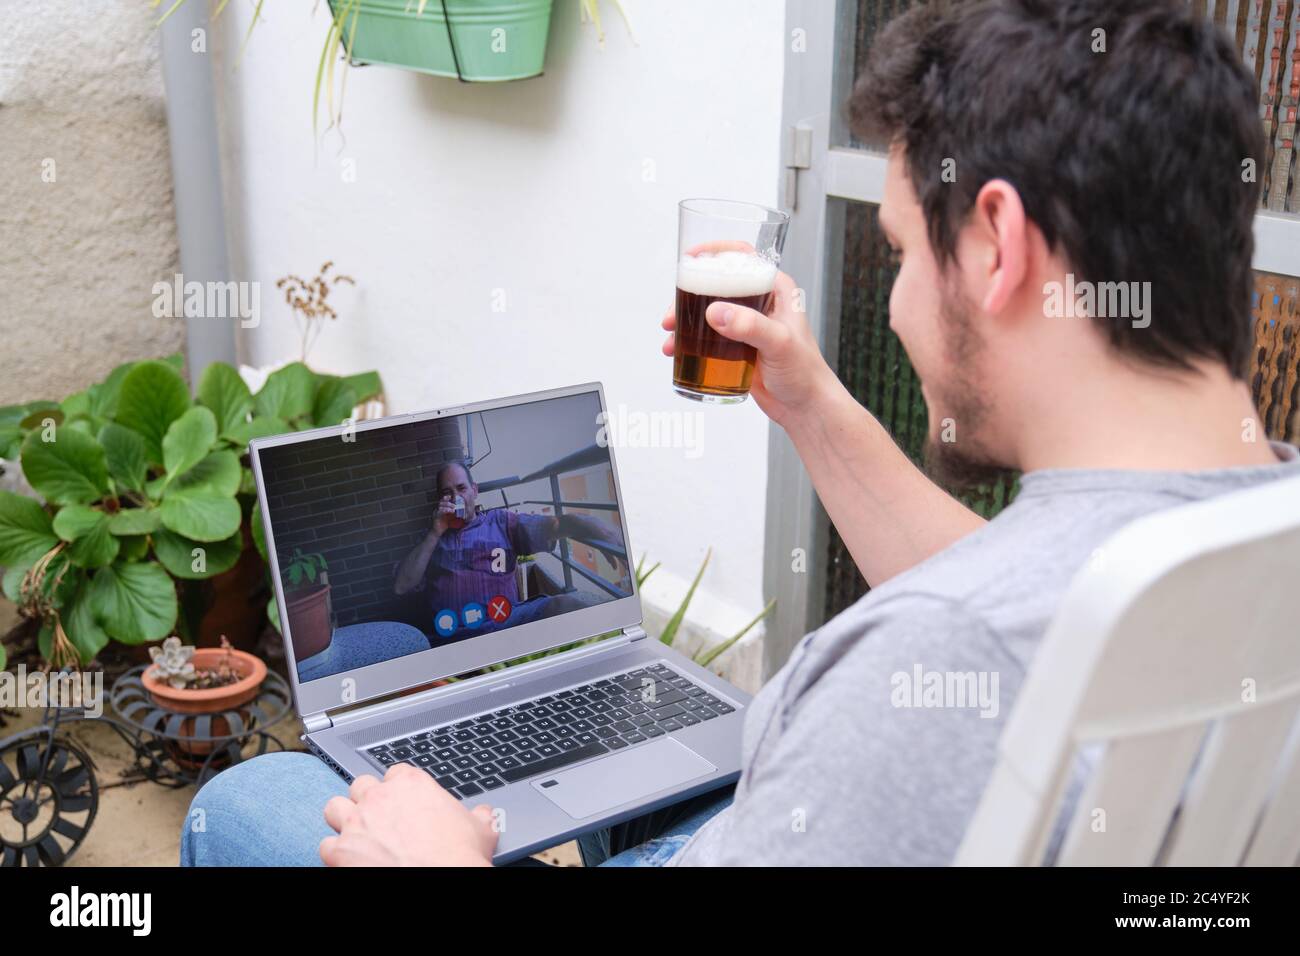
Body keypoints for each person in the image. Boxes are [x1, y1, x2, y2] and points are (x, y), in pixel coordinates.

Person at [182, 0, 1300, 867]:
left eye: (903, 251)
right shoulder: (1238, 538)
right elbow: (1022, 596)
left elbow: (970, 629)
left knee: (252, 804)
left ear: (996, 244)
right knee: (645, 747)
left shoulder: (927, 655)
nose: (900, 301)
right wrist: (810, 402)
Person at [393, 461, 624, 636]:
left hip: (506, 622)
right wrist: (436, 532)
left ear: (474, 491)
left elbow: (554, 526)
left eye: (461, 488)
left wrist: (597, 527)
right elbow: (402, 586)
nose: (456, 497)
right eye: (447, 493)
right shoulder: (432, 538)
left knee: (567, 605)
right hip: (453, 633)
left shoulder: (501, 522)